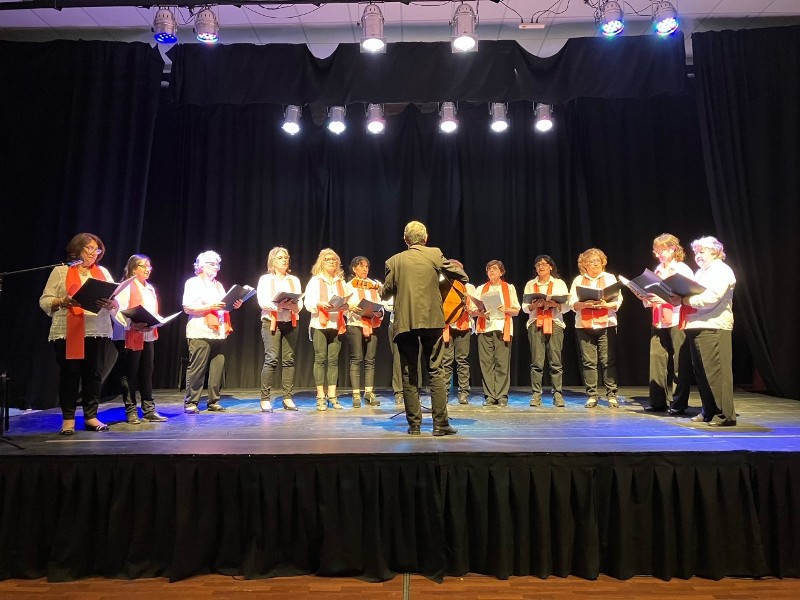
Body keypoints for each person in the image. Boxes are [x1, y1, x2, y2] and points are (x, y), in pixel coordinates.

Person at [382, 221, 467, 436]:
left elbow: (386, 293)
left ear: (405, 239)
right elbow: (462, 276)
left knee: (409, 372)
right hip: (432, 320)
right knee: (436, 371)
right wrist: (439, 286)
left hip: (405, 322)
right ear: (425, 239)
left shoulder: (394, 261)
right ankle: (440, 425)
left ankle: (415, 426)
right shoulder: (435, 254)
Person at [39, 233, 119, 434]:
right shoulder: (61, 271)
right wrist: (62, 301)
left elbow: (115, 302)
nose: (93, 253)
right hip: (69, 330)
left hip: (97, 330)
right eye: (89, 248)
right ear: (77, 249)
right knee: (70, 375)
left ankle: (91, 417)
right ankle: (68, 419)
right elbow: (45, 300)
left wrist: (111, 303)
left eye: (97, 250)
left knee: (94, 375)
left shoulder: (103, 272)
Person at [679, 236, 736, 426]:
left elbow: (711, 298)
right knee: (703, 373)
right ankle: (708, 411)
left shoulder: (722, 270)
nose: (697, 255)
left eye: (701, 251)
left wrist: (685, 300)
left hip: (713, 325)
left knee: (716, 373)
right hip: (696, 324)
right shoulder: (701, 272)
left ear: (715, 251)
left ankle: (724, 415)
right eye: (695, 252)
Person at [639, 234, 695, 414]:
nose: (658, 255)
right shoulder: (658, 269)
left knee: (680, 362)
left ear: (673, 249)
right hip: (659, 319)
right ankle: (657, 401)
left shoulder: (682, 269)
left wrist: (663, 299)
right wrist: (645, 297)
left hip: (677, 319)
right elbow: (654, 296)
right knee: (656, 359)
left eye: (661, 250)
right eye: (656, 251)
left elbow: (688, 296)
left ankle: (679, 403)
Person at [181, 250, 242, 414]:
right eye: (212, 264)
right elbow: (187, 307)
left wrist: (234, 305)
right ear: (201, 266)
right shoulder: (192, 283)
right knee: (198, 368)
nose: (216, 267)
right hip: (200, 330)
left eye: (217, 264)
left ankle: (213, 401)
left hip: (218, 331)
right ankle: (191, 402)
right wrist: (210, 307)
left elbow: (223, 307)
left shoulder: (218, 285)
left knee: (217, 367)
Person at [115, 254, 167, 423]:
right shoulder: (126, 287)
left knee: (146, 372)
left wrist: (158, 320)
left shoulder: (150, 288)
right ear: (133, 269)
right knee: (130, 373)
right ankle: (131, 410)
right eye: (143, 266)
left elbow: (151, 311)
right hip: (130, 335)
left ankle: (149, 410)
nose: (148, 269)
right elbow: (118, 311)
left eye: (149, 266)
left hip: (147, 335)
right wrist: (132, 324)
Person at [568, 248, 623, 408]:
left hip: (606, 324)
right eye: (591, 261)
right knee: (589, 362)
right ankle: (592, 395)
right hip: (584, 325)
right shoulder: (578, 280)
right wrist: (583, 304)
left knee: (608, 361)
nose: (595, 264)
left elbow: (618, 300)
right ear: (584, 264)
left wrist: (606, 304)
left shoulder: (609, 277)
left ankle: (611, 394)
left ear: (602, 262)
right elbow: (571, 302)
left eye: (597, 261)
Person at [256, 246, 302, 413]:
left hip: (290, 321)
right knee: (271, 359)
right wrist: (279, 306)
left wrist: (295, 306)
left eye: (286, 257)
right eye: (280, 258)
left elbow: (300, 302)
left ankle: (287, 397)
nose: (284, 260)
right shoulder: (265, 279)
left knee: (289, 360)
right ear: (273, 261)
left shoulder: (294, 280)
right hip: (271, 321)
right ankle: (265, 399)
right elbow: (262, 302)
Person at [522, 255, 570, 408]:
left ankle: (557, 394)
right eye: (538, 264)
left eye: (544, 264)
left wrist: (555, 304)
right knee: (536, 361)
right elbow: (524, 307)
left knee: (555, 361)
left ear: (551, 267)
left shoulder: (559, 283)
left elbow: (567, 306)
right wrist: (534, 306)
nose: (541, 266)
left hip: (555, 323)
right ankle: (536, 394)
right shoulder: (531, 284)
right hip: (535, 323)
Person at [304, 248, 348, 411]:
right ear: (321, 262)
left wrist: (345, 306)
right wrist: (319, 304)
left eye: (334, 259)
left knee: (333, 360)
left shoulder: (341, 282)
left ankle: (333, 396)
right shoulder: (315, 281)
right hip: (320, 324)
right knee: (320, 359)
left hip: (336, 324)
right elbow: (308, 303)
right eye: (327, 259)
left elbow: (346, 303)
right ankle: (320, 396)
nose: (331, 262)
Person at [474, 260, 521, 407]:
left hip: (502, 327)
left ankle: (501, 395)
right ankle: (489, 395)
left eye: (494, 268)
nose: (491, 271)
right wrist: (481, 313)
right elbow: (473, 311)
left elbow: (516, 311)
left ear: (501, 272)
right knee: (486, 363)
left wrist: (506, 309)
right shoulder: (481, 289)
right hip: (485, 327)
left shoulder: (509, 288)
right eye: (488, 269)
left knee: (502, 362)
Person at [345, 256, 385, 408]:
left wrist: (379, 313)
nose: (365, 269)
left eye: (367, 266)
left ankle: (368, 393)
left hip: (372, 324)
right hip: (355, 323)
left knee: (370, 360)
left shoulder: (373, 285)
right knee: (356, 358)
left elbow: (380, 304)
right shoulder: (349, 286)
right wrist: (351, 307)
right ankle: (356, 394)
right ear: (354, 268)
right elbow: (344, 305)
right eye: (361, 266)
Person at [441, 260, 476, 405]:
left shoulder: (469, 287)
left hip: (463, 326)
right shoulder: (443, 285)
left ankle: (463, 393)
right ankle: (444, 393)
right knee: (446, 361)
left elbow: (475, 309)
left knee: (462, 360)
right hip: (447, 327)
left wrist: (469, 309)